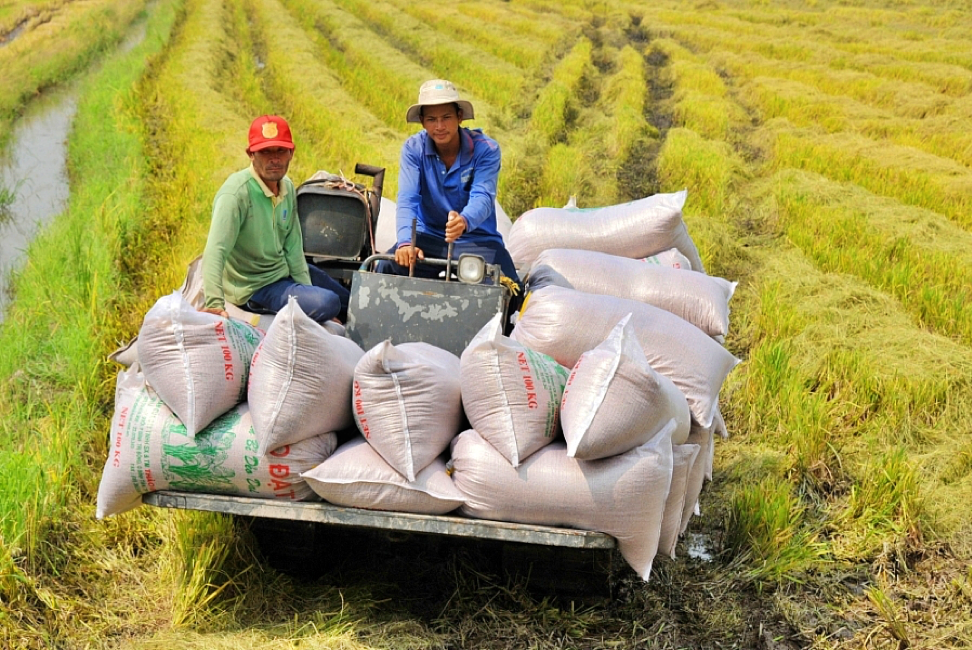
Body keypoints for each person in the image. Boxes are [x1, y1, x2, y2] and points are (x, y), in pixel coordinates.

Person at [379, 79, 521, 310]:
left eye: (446, 117)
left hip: (476, 239)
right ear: (423, 122)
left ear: (459, 117)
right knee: (384, 268)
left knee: (509, 288)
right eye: (432, 120)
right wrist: (406, 242)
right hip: (429, 237)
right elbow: (408, 198)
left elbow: (483, 196)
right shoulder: (414, 149)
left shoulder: (486, 149)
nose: (439, 126)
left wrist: (464, 221)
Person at [200, 115, 349, 324]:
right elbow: (216, 250)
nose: (274, 159)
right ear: (251, 154)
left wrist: (307, 291)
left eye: (280, 151)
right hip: (254, 287)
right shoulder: (235, 195)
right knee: (329, 303)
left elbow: (293, 245)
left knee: (348, 300)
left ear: (291, 153)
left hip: (282, 271)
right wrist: (215, 303)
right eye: (265, 152)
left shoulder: (286, 186)